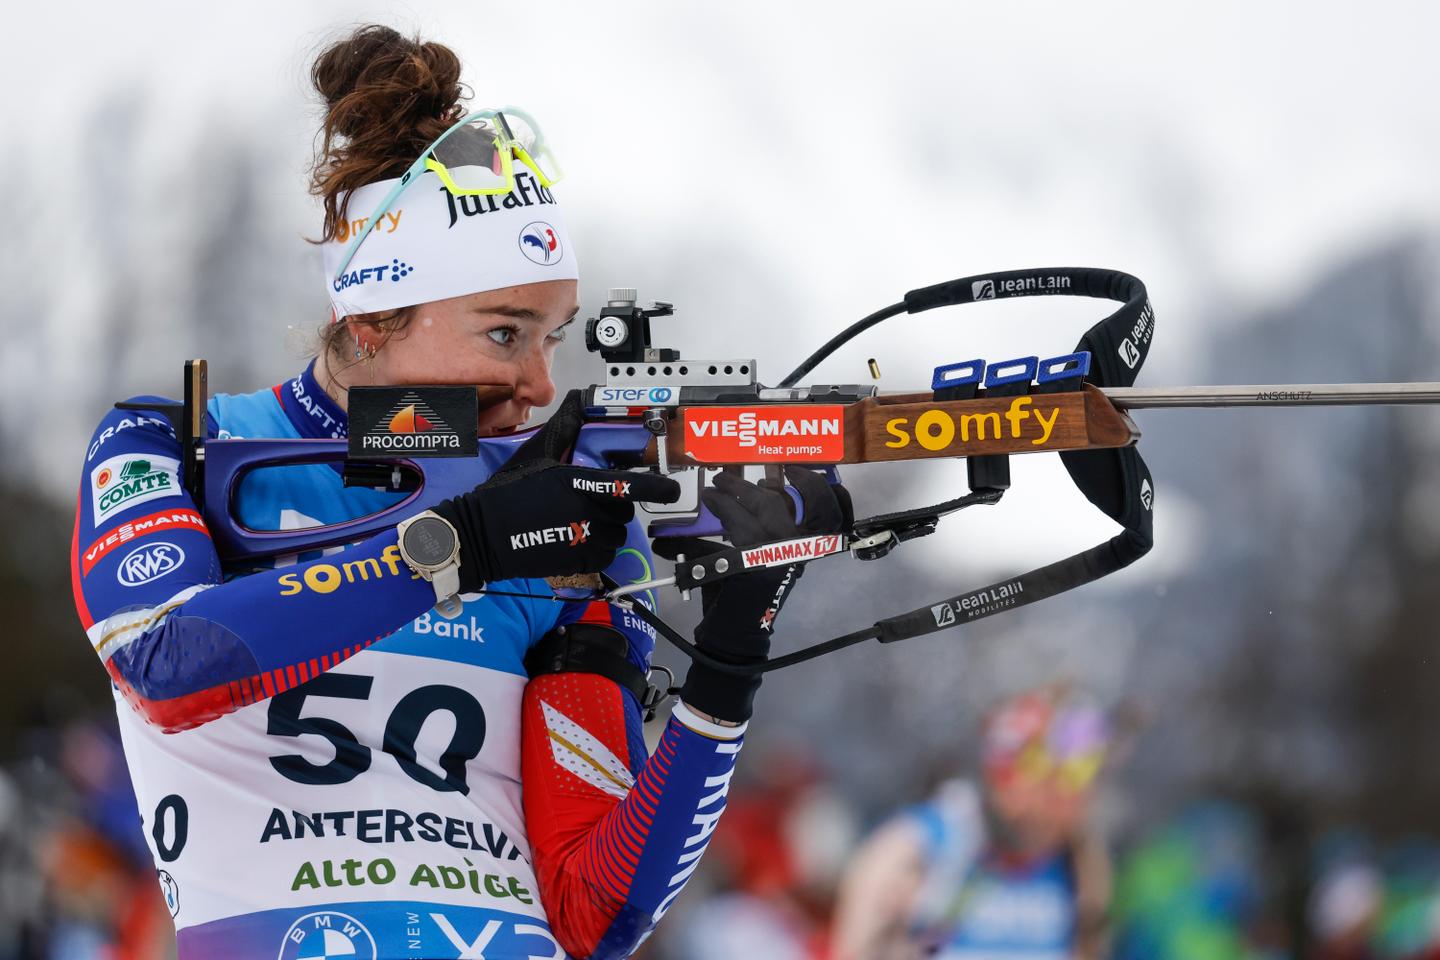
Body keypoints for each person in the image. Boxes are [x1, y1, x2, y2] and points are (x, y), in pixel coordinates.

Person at [69, 24, 847, 960]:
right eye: (505, 334)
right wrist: (461, 548)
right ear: (373, 311)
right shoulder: (182, 446)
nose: (540, 387)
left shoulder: (564, 522)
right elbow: (166, 659)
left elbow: (594, 911)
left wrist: (729, 658)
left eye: (553, 336)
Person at [831, 688, 1112, 960]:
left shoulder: (1080, 864)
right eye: (1052, 775)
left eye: (1083, 774)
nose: (1071, 797)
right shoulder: (916, 846)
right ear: (1005, 778)